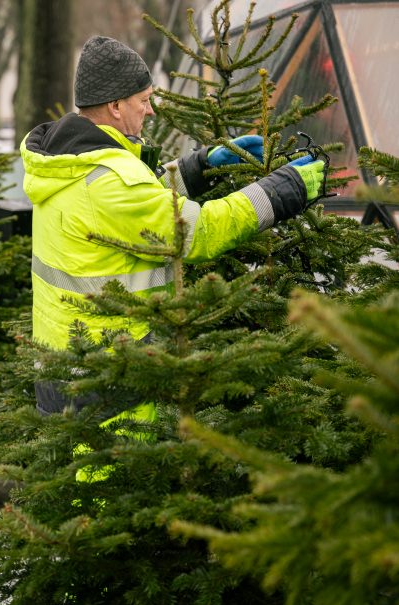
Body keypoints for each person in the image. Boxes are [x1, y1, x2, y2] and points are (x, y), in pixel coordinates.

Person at [21, 36, 326, 418]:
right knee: (112, 478)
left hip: (68, 368)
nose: (150, 112)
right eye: (143, 101)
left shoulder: (70, 161)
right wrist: (284, 190)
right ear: (115, 106)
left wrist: (201, 167)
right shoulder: (109, 180)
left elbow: (137, 209)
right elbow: (196, 231)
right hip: (109, 386)